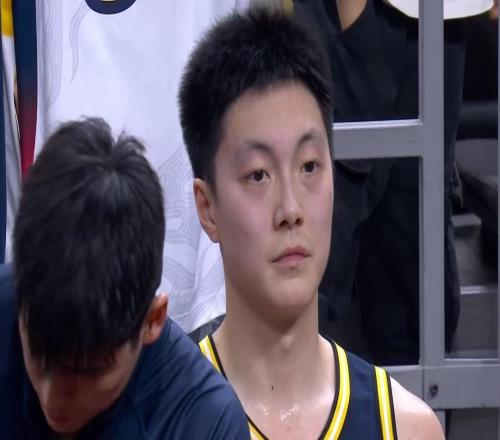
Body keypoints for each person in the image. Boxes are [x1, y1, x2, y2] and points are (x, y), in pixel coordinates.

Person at [179, 7, 444, 439]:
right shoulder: (161, 418)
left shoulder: (405, 427)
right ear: (207, 208)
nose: (291, 209)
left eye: (309, 167)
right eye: (258, 175)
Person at [0, 118, 249, 439]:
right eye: (39, 354)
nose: (53, 398)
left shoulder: (202, 422)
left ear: (152, 320)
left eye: (88, 371)